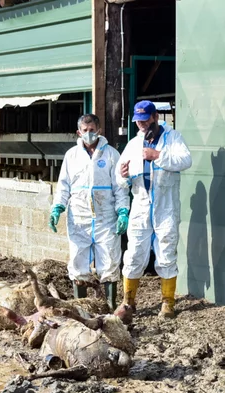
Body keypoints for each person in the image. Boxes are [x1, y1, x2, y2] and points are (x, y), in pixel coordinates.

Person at [118, 100, 192, 318]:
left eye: (144, 121)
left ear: (155, 118)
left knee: (167, 252)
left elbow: (185, 160)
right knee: (134, 254)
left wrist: (157, 156)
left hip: (165, 206)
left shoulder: (173, 137)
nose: (141, 125)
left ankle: (168, 303)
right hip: (141, 204)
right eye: (137, 122)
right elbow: (120, 176)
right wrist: (122, 176)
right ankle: (128, 302)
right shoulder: (133, 144)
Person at [51, 114, 130, 310]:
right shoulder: (72, 156)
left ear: (99, 130)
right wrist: (57, 208)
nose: (89, 134)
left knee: (110, 260)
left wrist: (122, 211)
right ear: (79, 132)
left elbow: (119, 186)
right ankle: (81, 306)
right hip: (79, 216)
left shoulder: (111, 154)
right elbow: (63, 185)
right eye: (85, 131)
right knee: (78, 261)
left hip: (106, 217)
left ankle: (110, 307)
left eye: (92, 129)